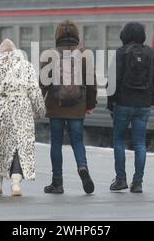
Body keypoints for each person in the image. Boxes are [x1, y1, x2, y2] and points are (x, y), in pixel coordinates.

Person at [0, 39, 46, 197]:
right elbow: (35, 91)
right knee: (20, 146)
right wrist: (40, 111)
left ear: (1, 53)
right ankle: (16, 184)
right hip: (22, 111)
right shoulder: (27, 66)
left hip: (1, 111)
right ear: (15, 51)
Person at [107, 22, 154, 193]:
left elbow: (113, 80)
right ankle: (138, 182)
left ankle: (120, 179)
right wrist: (151, 100)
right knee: (140, 143)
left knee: (119, 140)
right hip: (143, 106)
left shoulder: (120, 52)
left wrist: (112, 103)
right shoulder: (153, 55)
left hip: (123, 105)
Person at [40, 20, 98, 195]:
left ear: (57, 35)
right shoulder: (84, 55)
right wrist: (89, 105)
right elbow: (92, 84)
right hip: (77, 107)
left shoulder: (50, 55)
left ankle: (57, 183)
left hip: (55, 107)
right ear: (76, 35)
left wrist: (38, 103)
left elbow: (43, 83)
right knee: (77, 142)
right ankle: (82, 167)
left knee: (56, 143)